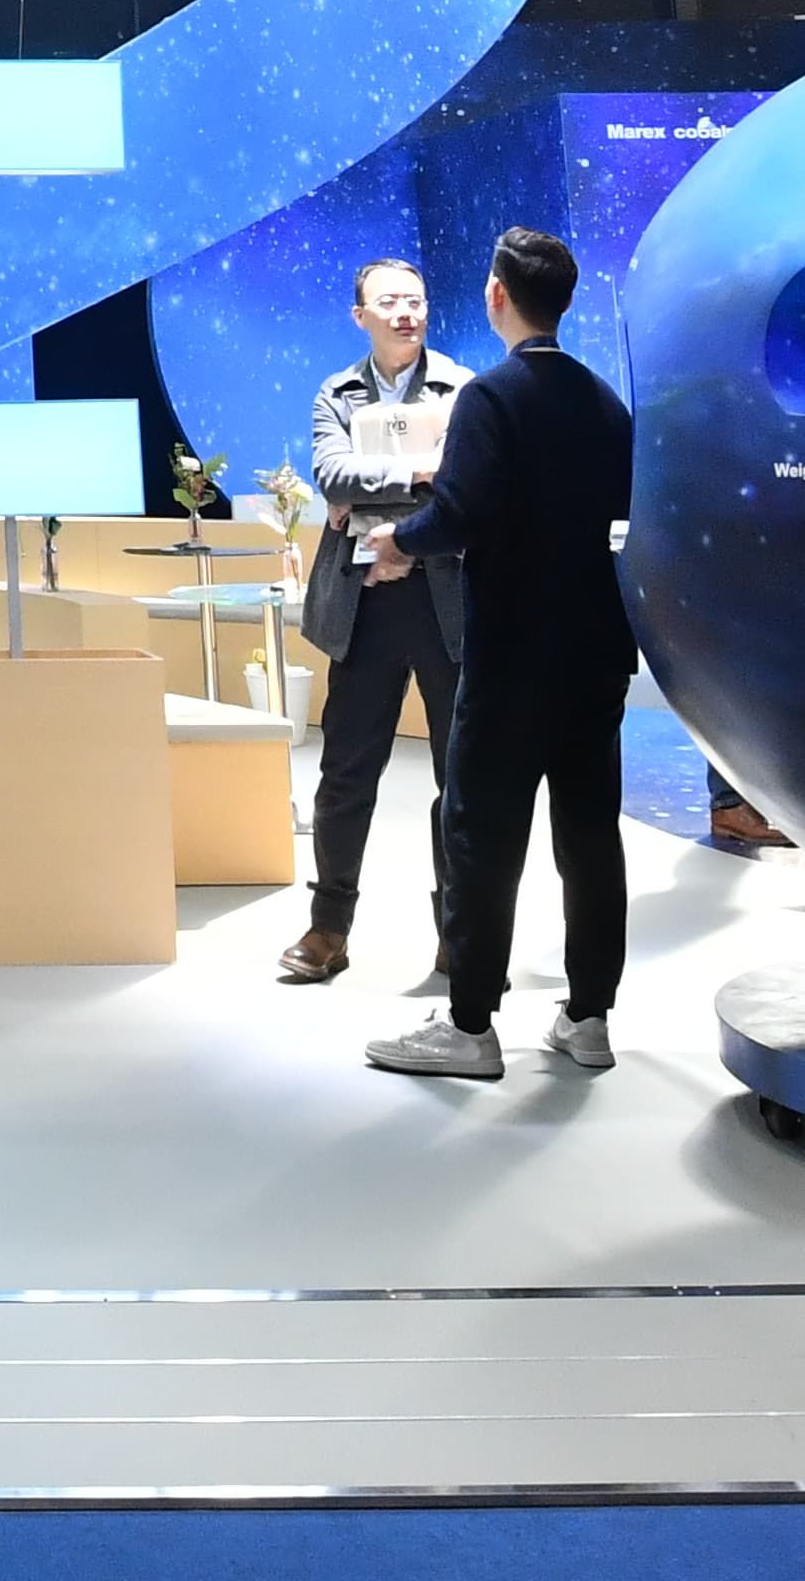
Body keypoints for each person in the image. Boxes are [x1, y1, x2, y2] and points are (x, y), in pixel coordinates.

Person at [363, 228, 638, 1083]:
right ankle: (589, 1017)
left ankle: (471, 1025)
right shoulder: (606, 404)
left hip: (513, 654)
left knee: (482, 834)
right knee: (590, 838)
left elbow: (462, 514)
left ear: (496, 296)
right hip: (597, 651)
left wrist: (398, 541)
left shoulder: (489, 397)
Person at [280, 256, 468, 987]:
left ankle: (461, 932)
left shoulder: (463, 388)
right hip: (363, 601)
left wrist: (379, 508)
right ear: (360, 315)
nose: (405, 313)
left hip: (447, 601)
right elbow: (332, 475)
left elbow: (468, 485)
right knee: (345, 773)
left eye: (415, 301)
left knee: (461, 777)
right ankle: (328, 928)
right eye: (389, 302)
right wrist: (420, 472)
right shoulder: (337, 392)